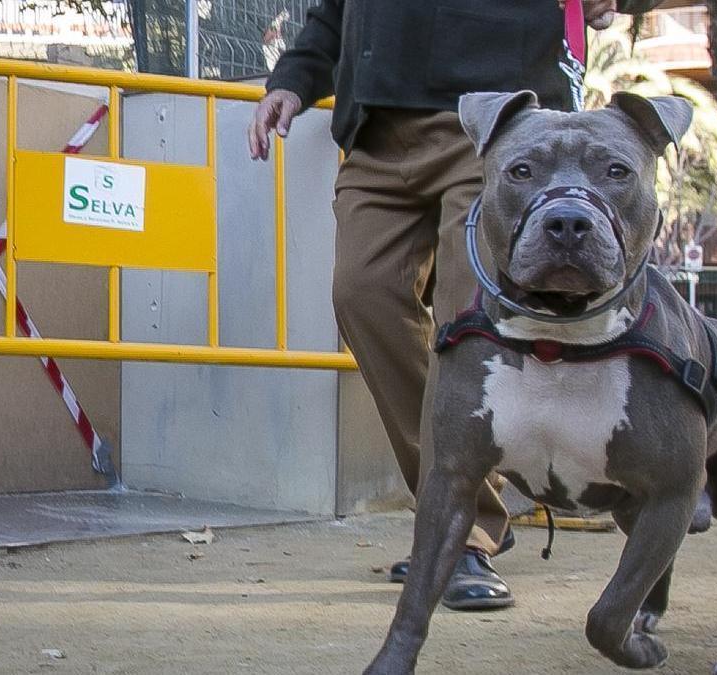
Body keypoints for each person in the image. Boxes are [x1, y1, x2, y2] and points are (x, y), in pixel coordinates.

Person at [248, 0, 661, 610]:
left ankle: (460, 532)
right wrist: (292, 80)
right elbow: (332, 14)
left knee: (466, 319)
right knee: (362, 295)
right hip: (376, 137)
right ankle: (469, 507)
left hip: (495, 128)